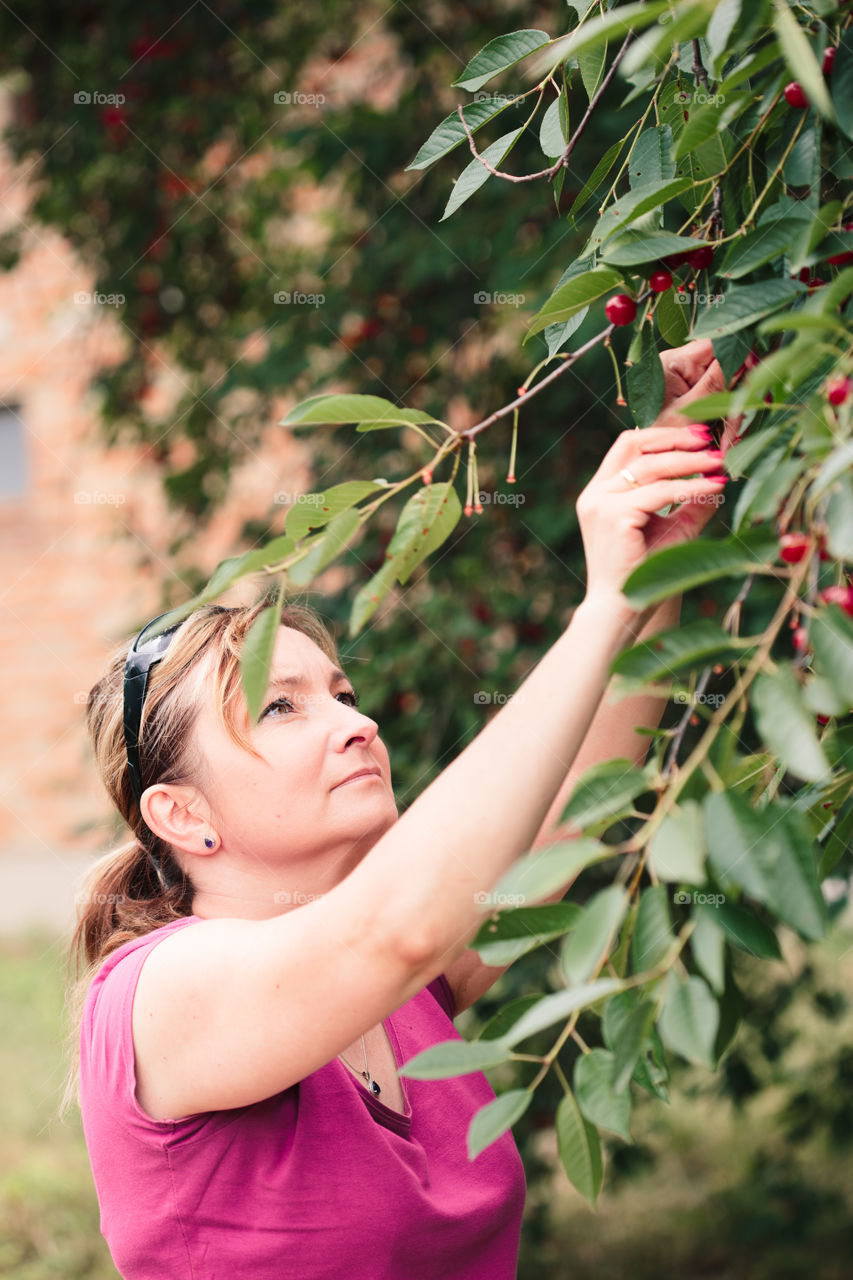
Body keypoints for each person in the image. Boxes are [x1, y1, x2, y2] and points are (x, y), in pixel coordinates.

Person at [63, 338, 736, 1279]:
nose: (356, 722)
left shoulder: (406, 995)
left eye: (340, 691)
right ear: (180, 816)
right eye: (281, 705)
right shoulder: (159, 995)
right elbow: (397, 927)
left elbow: (575, 808)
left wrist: (657, 564)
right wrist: (600, 608)